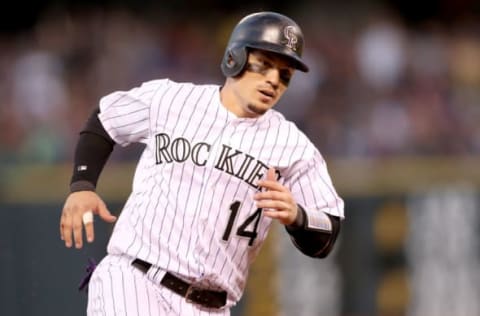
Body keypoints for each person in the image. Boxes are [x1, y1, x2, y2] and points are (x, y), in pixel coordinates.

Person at [60, 11, 344, 316]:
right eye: (264, 65)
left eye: (284, 74)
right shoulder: (173, 100)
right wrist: (82, 186)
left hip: (211, 306)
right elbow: (106, 119)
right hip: (135, 278)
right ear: (234, 58)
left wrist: (297, 217)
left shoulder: (292, 145)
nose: (273, 80)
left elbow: (328, 232)